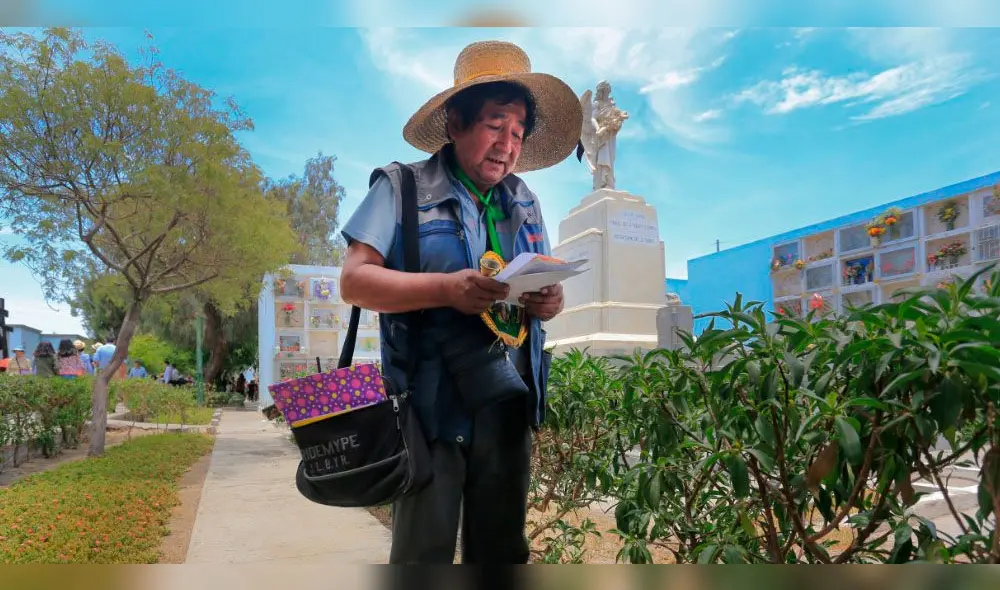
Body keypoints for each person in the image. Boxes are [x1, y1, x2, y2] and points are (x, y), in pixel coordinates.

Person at [339, 40, 579, 564]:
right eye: (495, 125)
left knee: (501, 551)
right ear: (455, 123)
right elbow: (354, 281)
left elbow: (540, 280)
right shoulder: (401, 187)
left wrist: (548, 301)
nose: (507, 145)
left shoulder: (525, 201)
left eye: (517, 133)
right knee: (422, 553)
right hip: (428, 410)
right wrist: (446, 289)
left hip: (509, 402)